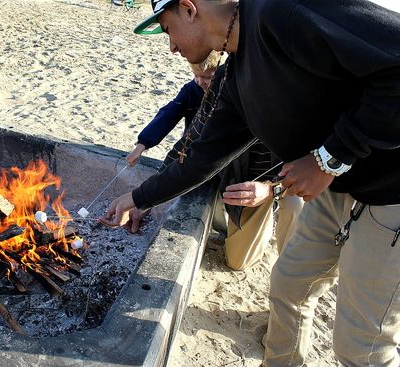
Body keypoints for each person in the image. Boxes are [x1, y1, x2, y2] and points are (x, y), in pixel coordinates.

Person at [100, 0, 400, 365]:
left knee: (360, 344)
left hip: (390, 192)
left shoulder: (281, 12)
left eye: (167, 29)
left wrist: (329, 159)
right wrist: (137, 197)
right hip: (338, 190)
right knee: (290, 286)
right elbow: (200, 162)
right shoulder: (235, 78)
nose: (172, 46)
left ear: (190, 9)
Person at [127, 55, 303, 270]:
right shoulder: (204, 93)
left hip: (262, 179)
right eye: (196, 77)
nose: (201, 82)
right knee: (235, 256)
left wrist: (269, 189)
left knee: (293, 206)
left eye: (208, 77)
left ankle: (286, 253)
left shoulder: (276, 104)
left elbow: (299, 162)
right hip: (225, 174)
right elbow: (185, 143)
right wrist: (145, 199)